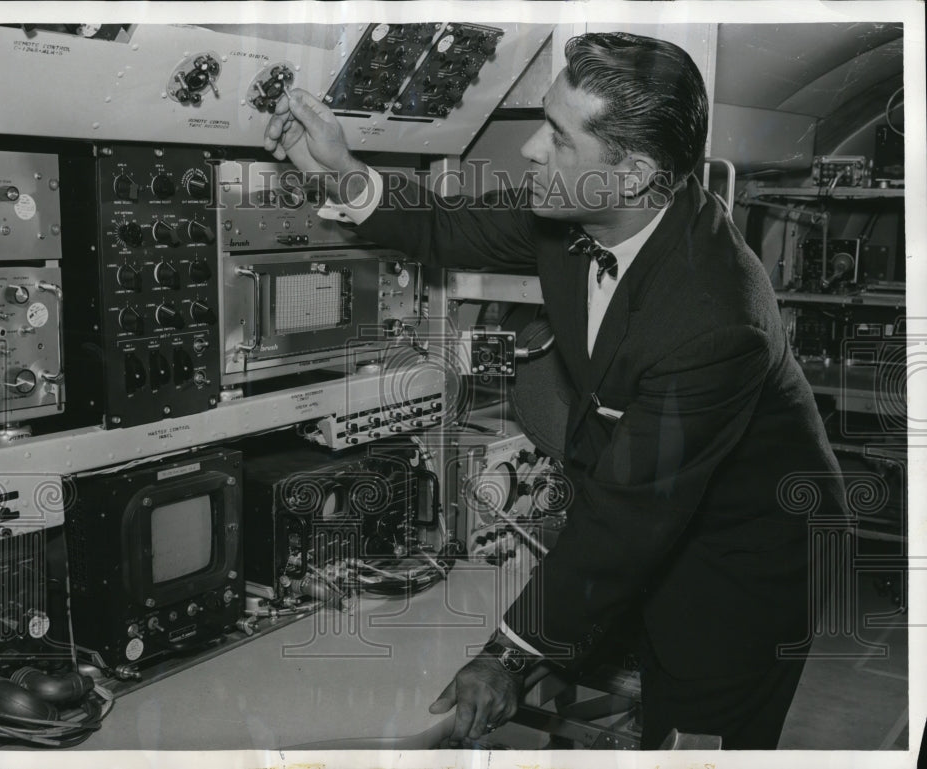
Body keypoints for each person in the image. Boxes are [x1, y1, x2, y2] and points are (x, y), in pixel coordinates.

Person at [262, 31, 845, 749]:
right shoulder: (578, 209)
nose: (534, 150)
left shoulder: (715, 318)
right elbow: (449, 225)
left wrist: (510, 652)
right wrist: (343, 168)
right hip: (648, 505)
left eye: (558, 137)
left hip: (744, 556)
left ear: (629, 174)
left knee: (695, 735)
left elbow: (628, 519)